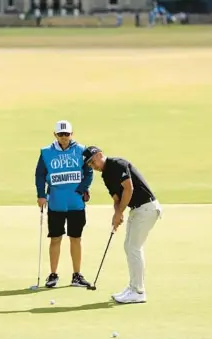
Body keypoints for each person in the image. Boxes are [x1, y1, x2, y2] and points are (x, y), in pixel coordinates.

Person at [82, 146, 162, 304]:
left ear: (100, 155)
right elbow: (117, 198)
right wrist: (116, 214)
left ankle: (138, 291)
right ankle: (133, 287)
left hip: (147, 208)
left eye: (93, 161)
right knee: (129, 246)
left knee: (134, 247)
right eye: (90, 165)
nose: (93, 166)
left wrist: (120, 213)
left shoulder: (117, 164)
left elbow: (128, 188)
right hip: (137, 210)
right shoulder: (105, 176)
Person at [35, 120, 93, 288]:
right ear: (55, 135)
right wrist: (41, 195)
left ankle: (76, 275)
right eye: (61, 134)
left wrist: (83, 188)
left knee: (76, 238)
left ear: (71, 134)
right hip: (56, 203)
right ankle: (53, 274)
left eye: (67, 134)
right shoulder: (46, 152)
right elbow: (40, 175)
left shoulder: (81, 150)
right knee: (55, 238)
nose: (64, 137)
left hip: (76, 203)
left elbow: (88, 172)